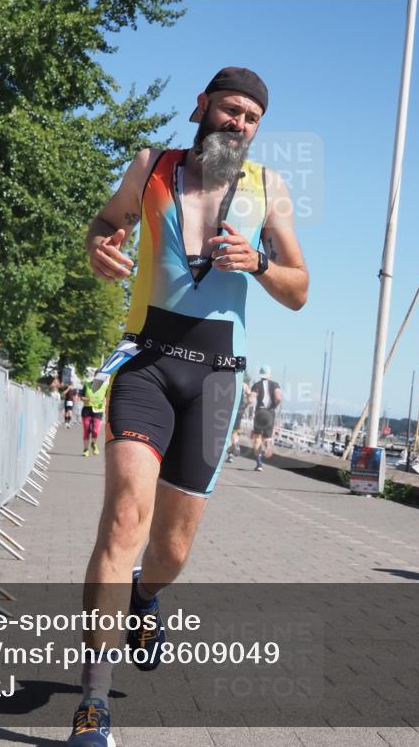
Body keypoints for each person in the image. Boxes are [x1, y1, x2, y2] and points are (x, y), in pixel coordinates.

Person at [70, 67, 308, 746]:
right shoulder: (151, 166)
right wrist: (98, 249)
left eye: (250, 118)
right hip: (145, 361)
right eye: (229, 110)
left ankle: (147, 594)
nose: (237, 123)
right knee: (122, 519)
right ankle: (92, 701)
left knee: (171, 549)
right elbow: (104, 225)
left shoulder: (269, 191)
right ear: (203, 106)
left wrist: (259, 266)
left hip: (216, 379)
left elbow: (300, 289)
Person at [249, 365, 282, 472]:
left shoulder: (256, 385)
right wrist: (273, 407)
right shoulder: (275, 384)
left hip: (259, 412)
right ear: (269, 374)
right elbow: (278, 398)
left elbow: (250, 399)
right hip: (270, 413)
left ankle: (259, 464)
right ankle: (268, 444)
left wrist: (250, 402)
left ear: (260, 374)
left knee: (257, 437)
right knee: (267, 437)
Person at [80, 378, 108, 457]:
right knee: (86, 429)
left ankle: (93, 444)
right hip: (87, 410)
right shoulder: (87, 385)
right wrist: (86, 399)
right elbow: (81, 396)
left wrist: (104, 402)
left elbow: (106, 397)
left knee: (95, 431)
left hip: (98, 411)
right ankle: (85, 450)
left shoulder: (104, 387)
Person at [226, 380, 251, 463]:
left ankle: (230, 453)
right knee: (234, 432)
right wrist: (245, 405)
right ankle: (234, 447)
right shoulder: (243, 385)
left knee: (228, 432)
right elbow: (250, 395)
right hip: (238, 410)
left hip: (228, 409)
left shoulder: (229, 382)